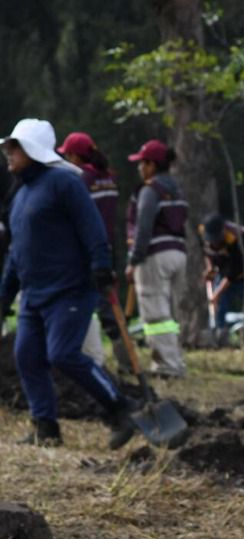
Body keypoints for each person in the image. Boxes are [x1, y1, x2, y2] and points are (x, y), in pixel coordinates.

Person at [0, 118, 136, 449]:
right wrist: (5, 297)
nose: (8, 153)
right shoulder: (19, 197)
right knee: (27, 356)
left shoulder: (64, 183)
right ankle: (45, 427)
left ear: (32, 149)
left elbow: (92, 227)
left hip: (70, 290)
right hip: (33, 295)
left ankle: (120, 409)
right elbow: (17, 253)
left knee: (62, 353)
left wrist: (102, 265)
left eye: (14, 147)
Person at [56, 131, 126, 372]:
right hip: (106, 245)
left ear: (75, 156)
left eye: (66, 155)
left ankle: (96, 358)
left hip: (88, 248)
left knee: (93, 304)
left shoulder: (81, 180)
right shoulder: (109, 179)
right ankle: (125, 356)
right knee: (108, 303)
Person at [125, 139, 187, 378]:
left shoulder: (150, 191)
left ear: (152, 165)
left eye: (142, 163)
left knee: (155, 314)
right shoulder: (177, 189)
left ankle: (166, 366)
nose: (139, 168)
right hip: (178, 253)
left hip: (155, 256)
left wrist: (133, 260)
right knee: (170, 313)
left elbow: (143, 228)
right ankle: (175, 360)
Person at [200, 213, 244, 349]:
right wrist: (210, 269)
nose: (213, 242)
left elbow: (233, 273)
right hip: (225, 272)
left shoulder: (237, 238)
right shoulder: (203, 230)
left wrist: (216, 295)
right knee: (219, 308)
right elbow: (207, 252)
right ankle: (219, 340)